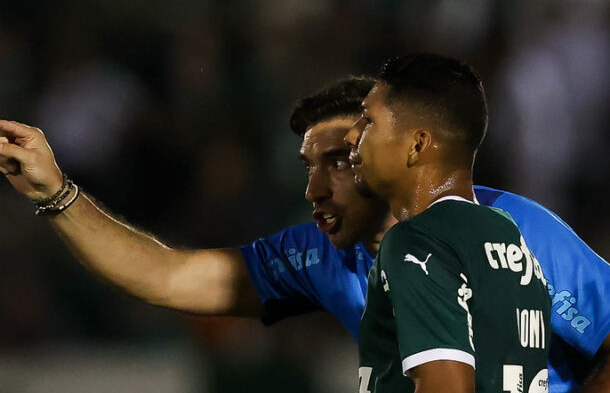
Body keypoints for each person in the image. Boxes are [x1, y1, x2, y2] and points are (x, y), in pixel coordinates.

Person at [0, 76, 608, 392]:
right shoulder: (320, 256)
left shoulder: (517, 229)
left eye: (340, 160)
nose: (315, 187)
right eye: (308, 166)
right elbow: (169, 276)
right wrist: (56, 193)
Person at [345, 53, 552, 392]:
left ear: (417, 144)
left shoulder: (417, 242)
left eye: (368, 121)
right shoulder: (508, 236)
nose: (351, 136)